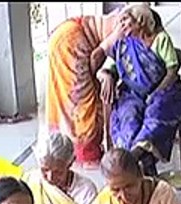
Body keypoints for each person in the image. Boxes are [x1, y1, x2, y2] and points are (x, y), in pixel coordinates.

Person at [101, 4, 181, 177]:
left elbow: (172, 71)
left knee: (156, 114)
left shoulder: (161, 39)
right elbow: (106, 69)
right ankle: (141, 161)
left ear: (140, 22)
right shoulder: (123, 44)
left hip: (164, 89)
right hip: (132, 93)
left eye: (127, 22)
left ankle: (135, 155)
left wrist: (154, 93)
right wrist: (107, 76)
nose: (123, 26)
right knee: (128, 115)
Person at [44, 10, 125, 164]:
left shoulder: (114, 21)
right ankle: (85, 153)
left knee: (65, 98)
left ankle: (63, 147)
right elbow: (96, 58)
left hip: (67, 36)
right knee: (81, 105)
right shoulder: (121, 29)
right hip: (71, 42)